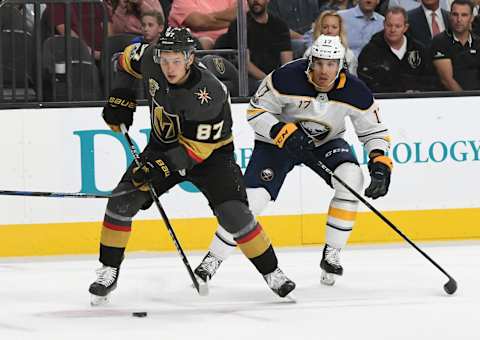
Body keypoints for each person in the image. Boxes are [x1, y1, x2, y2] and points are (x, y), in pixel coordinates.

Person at [88, 27, 295, 305]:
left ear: (189, 58)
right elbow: (124, 60)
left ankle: (273, 272)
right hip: (162, 146)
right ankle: (108, 270)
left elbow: (195, 151)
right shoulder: (150, 57)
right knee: (120, 203)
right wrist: (121, 95)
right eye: (165, 59)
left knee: (235, 215)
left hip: (212, 157)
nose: (169, 67)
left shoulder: (209, 93)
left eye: (176, 60)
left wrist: (159, 167)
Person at [194, 35, 393, 287]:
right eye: (319, 63)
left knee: (351, 178)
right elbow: (255, 112)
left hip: (325, 143)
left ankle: (332, 254)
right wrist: (282, 131)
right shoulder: (284, 77)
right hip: (277, 143)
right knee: (251, 202)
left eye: (331, 65)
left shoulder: (356, 91)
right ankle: (212, 260)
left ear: (340, 66)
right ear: (310, 61)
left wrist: (380, 164)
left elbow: (374, 133)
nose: (324, 71)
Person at [214, 0, 293, 95]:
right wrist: (270, 82)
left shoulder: (279, 25)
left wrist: (283, 80)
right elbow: (245, 64)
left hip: (274, 78)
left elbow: (287, 63)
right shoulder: (239, 26)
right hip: (248, 81)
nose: (255, 1)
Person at [358, 6, 438, 92]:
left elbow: (432, 80)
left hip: (417, 101)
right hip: (384, 101)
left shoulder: (420, 50)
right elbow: (366, 83)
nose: (393, 30)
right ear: (384, 24)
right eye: (389, 25)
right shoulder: (370, 51)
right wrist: (400, 91)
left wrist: (418, 91)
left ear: (405, 27)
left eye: (398, 26)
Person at [431, 0, 480, 90]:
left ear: (472, 18)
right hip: (453, 99)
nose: (459, 19)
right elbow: (447, 80)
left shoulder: (478, 41)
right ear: (450, 16)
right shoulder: (440, 41)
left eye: (464, 15)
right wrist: (466, 101)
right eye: (455, 14)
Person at [168, 0, 241, 49]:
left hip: (232, 42)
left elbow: (240, 12)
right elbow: (198, 22)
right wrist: (232, 22)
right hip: (200, 50)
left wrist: (208, 17)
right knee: (205, 42)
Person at [303, 10, 358, 75]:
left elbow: (352, 80)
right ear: (320, 29)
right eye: (325, 27)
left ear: (340, 29)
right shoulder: (309, 52)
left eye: (334, 27)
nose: (329, 31)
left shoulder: (349, 55)